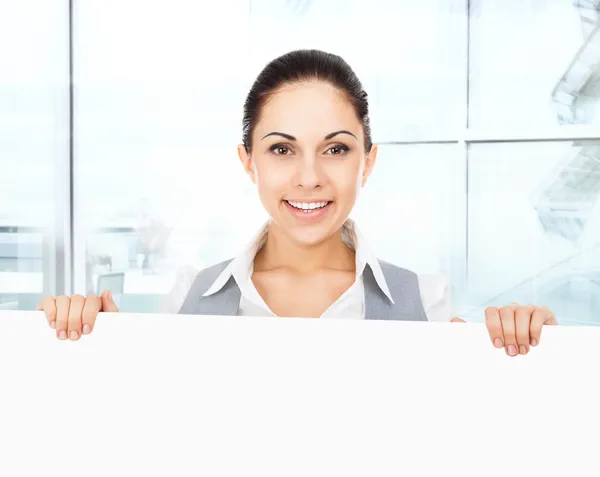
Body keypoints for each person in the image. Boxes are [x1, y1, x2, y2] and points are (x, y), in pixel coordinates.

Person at [37, 49, 558, 357]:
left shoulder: (425, 303)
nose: (309, 178)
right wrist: (83, 333)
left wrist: (537, 349)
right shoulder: (188, 299)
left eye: (335, 149)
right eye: (282, 149)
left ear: (367, 162)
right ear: (249, 161)